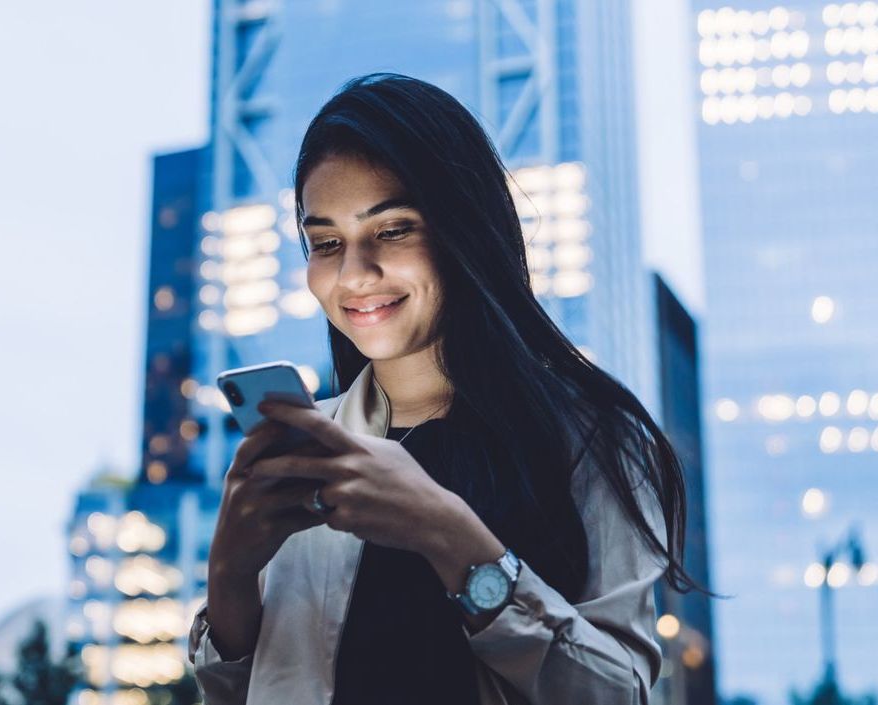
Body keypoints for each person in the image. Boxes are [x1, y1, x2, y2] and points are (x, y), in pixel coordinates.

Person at [187, 73, 706, 705]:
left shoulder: (595, 441)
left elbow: (619, 696)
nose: (354, 274)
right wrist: (230, 576)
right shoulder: (305, 452)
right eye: (326, 242)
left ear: (463, 227)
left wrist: (452, 537)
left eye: (393, 229)